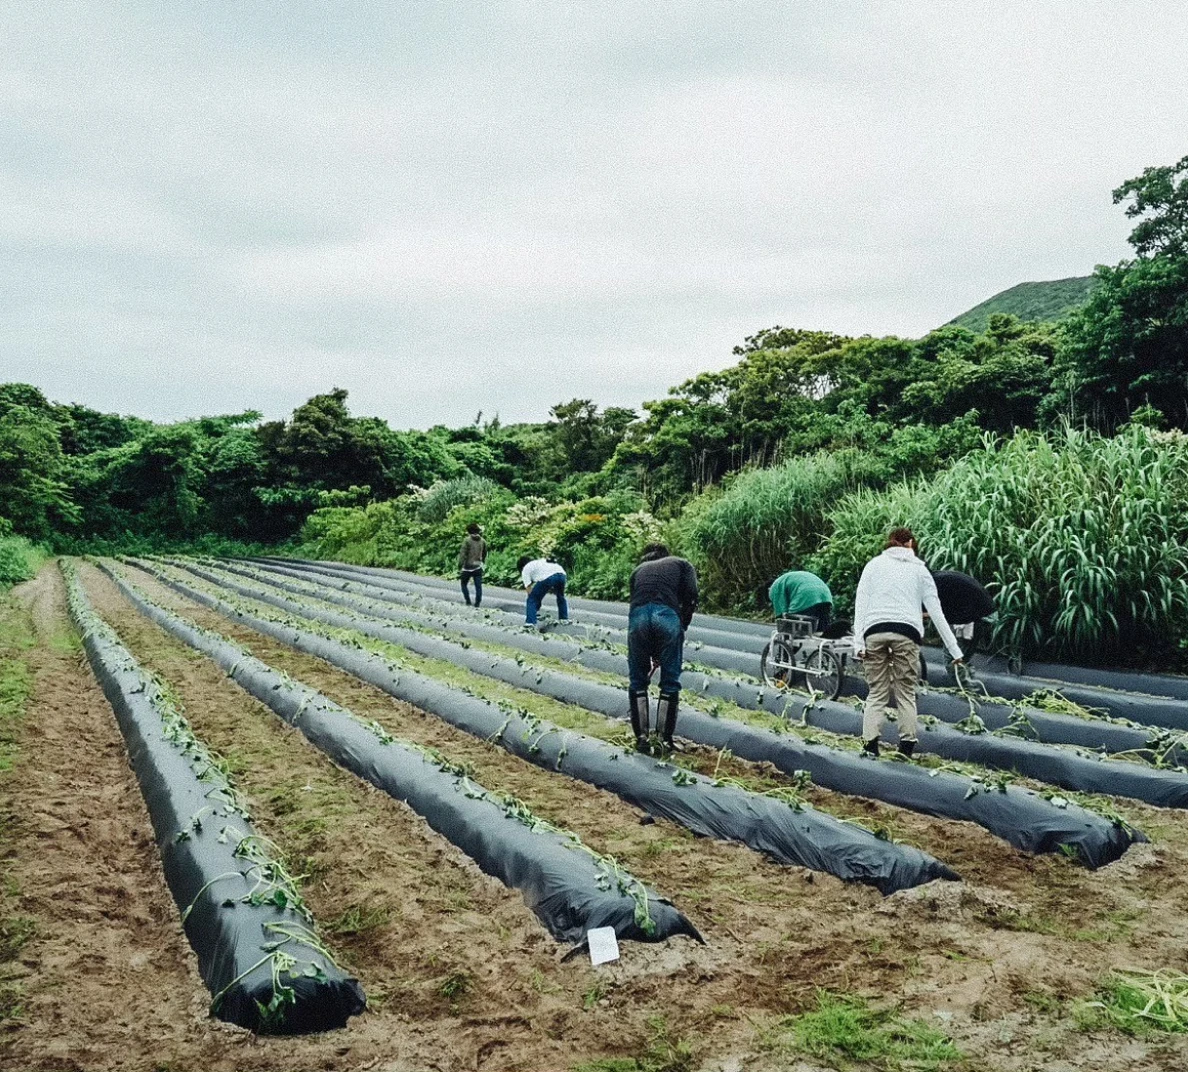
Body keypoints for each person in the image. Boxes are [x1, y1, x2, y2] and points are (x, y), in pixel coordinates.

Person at [853, 528, 963, 759]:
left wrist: (858, 642)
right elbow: (936, 611)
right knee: (905, 692)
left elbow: (861, 604)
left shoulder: (873, 565)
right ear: (911, 543)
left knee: (877, 692)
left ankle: (871, 745)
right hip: (907, 633)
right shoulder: (920, 570)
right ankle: (906, 746)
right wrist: (954, 649)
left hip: (874, 631)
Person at [626, 543, 699, 754]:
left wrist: (651, 650)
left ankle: (641, 738)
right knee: (670, 681)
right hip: (666, 616)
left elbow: (637, 604)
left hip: (638, 618)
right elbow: (691, 597)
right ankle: (664, 740)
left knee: (638, 680)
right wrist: (681, 627)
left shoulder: (638, 571)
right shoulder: (682, 564)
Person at [931, 570, 995, 657]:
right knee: (957, 657)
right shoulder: (937, 577)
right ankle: (963, 669)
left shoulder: (932, 583)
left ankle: (961, 669)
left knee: (953, 658)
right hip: (980, 613)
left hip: (972, 617)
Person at [768, 569, 833, 634]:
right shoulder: (785, 579)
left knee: (794, 628)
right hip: (825, 594)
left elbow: (781, 612)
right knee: (822, 630)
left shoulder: (774, 589)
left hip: (805, 594)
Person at [517, 555, 568, 626]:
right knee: (561, 597)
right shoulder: (539, 562)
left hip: (548, 577)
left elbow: (529, 591)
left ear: (521, 567)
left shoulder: (525, 569)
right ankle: (564, 619)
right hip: (562, 574)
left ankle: (530, 623)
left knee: (531, 600)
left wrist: (536, 606)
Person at [458, 523, 487, 607]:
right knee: (478, 586)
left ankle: (468, 601)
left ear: (469, 531)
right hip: (478, 566)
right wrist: (482, 563)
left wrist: (460, 566)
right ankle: (477, 603)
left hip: (467, 567)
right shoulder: (483, 541)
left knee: (463, 584)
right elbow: (484, 554)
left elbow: (463, 555)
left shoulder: (467, 540)